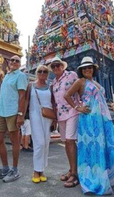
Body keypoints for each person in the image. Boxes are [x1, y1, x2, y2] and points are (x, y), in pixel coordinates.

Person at [65, 56, 114, 195]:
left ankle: (105, 177)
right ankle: (93, 177)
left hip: (101, 120)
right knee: (92, 148)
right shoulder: (80, 81)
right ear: (81, 70)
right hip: (89, 120)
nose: (88, 69)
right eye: (85, 68)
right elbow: (67, 95)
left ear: (93, 69)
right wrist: (78, 107)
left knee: (102, 146)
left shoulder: (95, 82)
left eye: (90, 67)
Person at [0, 55, 27, 183]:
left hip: (13, 111)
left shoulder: (21, 76)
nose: (15, 62)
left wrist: (20, 114)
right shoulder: (6, 76)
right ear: (9, 62)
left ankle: (15, 169)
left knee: (14, 140)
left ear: (19, 63)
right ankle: (5, 168)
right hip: (2, 111)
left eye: (17, 61)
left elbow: (22, 96)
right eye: (12, 60)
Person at [48, 56, 80, 188]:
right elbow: (54, 102)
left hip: (73, 111)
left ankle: (75, 174)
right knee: (66, 142)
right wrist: (54, 118)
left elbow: (81, 87)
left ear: (63, 66)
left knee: (70, 140)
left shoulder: (71, 75)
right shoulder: (53, 83)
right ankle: (71, 169)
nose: (56, 67)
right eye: (54, 66)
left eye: (58, 65)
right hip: (60, 115)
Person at [25, 65, 55, 183]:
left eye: (45, 72)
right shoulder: (30, 86)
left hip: (48, 116)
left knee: (46, 143)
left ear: (48, 74)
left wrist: (55, 119)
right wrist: (21, 115)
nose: (42, 73)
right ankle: (35, 171)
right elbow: (26, 101)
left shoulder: (50, 87)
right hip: (35, 115)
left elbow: (53, 102)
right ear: (36, 73)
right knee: (39, 143)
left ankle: (41, 170)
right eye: (40, 71)